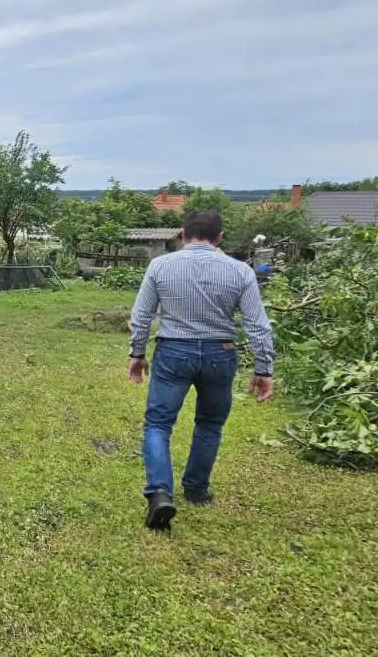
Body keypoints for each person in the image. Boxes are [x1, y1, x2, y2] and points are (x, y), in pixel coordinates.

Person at [128, 210, 276, 532]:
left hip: (173, 352)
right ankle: (196, 489)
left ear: (182, 233)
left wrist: (137, 354)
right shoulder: (240, 271)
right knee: (210, 423)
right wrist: (264, 368)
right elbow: (258, 326)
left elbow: (141, 316)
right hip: (220, 354)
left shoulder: (160, 266)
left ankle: (160, 493)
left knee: (158, 424)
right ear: (220, 237)